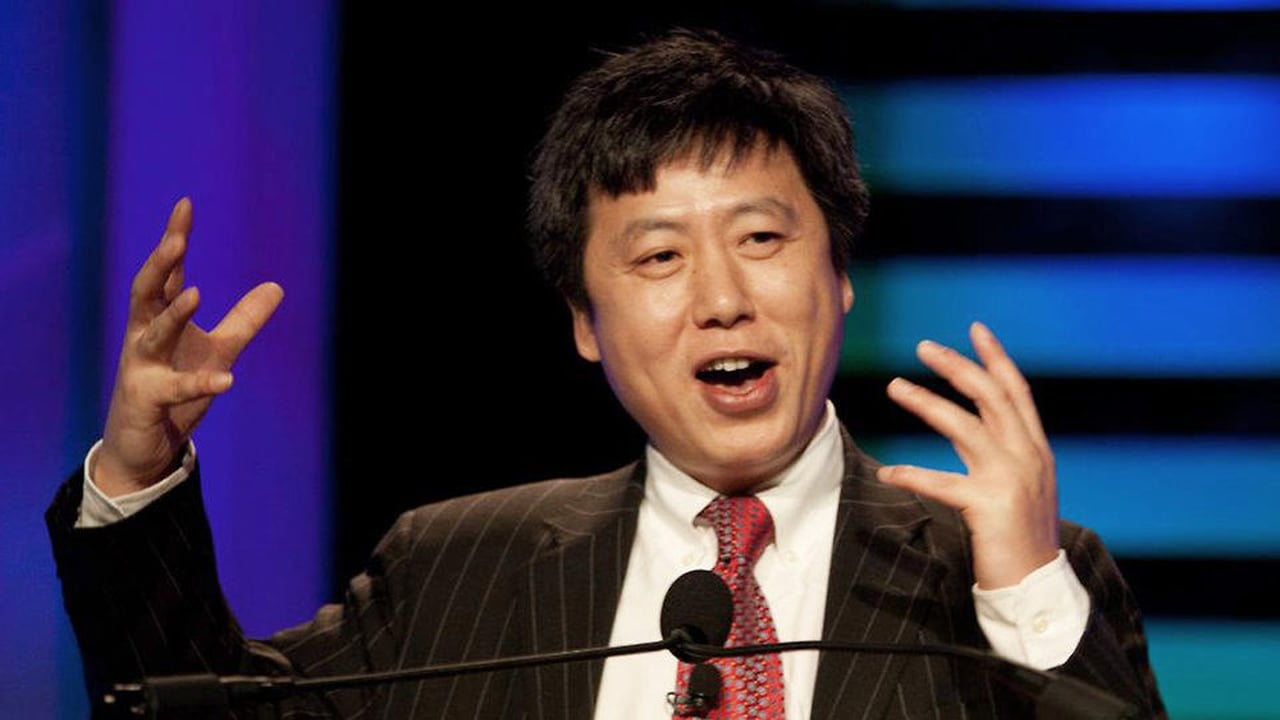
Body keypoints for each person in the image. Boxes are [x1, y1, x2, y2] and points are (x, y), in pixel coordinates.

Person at [47, 29, 1164, 719]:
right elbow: (195, 714)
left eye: (761, 239)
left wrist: (1021, 589)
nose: (721, 297)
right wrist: (138, 475)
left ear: (838, 279)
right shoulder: (456, 570)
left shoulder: (1011, 575)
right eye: (660, 258)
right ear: (585, 322)